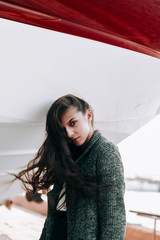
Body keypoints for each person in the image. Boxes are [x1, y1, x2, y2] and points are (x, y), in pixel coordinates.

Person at [14, 94, 126, 240]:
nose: (68, 133)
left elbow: (114, 216)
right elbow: (54, 214)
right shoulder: (68, 153)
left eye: (73, 123)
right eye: (63, 129)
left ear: (89, 115)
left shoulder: (105, 151)